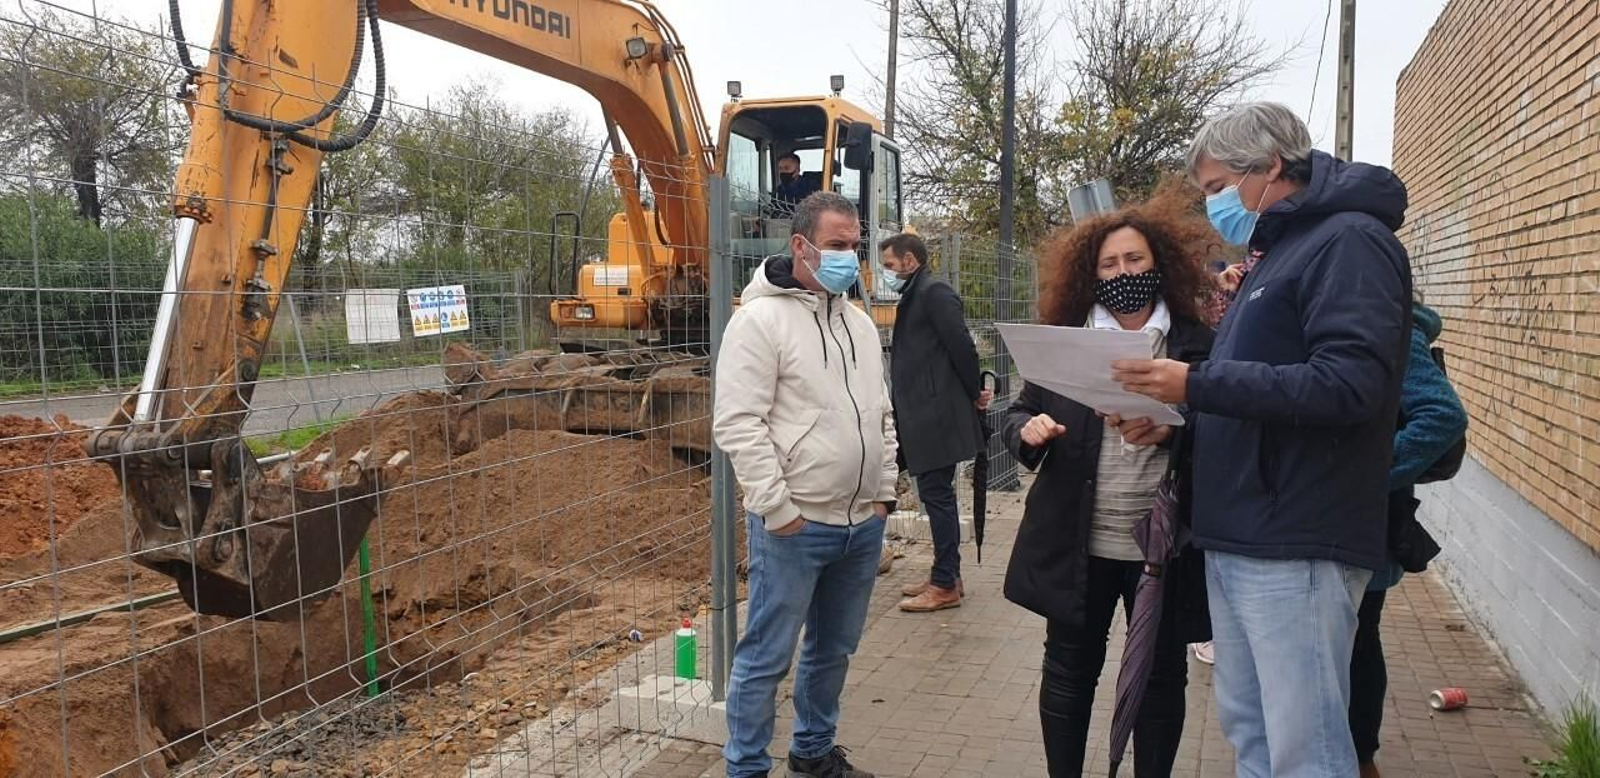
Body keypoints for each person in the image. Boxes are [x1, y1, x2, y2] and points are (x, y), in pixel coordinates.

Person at [1114, 102, 1413, 777]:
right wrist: (1177, 419)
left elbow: (1348, 385)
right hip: (1244, 532)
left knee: (1304, 752)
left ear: (1271, 166)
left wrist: (1193, 385)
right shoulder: (1278, 253)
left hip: (1296, 537)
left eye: (1219, 187)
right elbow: (1258, 392)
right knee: (1254, 738)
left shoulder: (1350, 243)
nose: (1214, 204)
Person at [1001, 187, 1217, 777]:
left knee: (1158, 676)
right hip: (1079, 538)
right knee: (1068, 671)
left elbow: (1228, 428)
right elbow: (1017, 413)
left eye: (1135, 260)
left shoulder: (1197, 344)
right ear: (1090, 275)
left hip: (1165, 543)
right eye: (1109, 264)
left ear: (1159, 264)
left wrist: (1174, 432)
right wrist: (1029, 428)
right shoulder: (1065, 340)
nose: (1123, 273)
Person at [712, 191, 896, 778]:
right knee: (766, 658)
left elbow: (880, 412)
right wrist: (777, 509)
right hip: (795, 527)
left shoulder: (860, 325)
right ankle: (745, 769)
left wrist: (885, 491)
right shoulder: (758, 321)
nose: (851, 257)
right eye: (838, 246)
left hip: (859, 524)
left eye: (855, 246)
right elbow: (738, 423)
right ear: (801, 246)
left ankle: (813, 755)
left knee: (833, 652)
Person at [1350, 301, 1468, 778]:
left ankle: (1360, 757)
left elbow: (1441, 416)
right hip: (1335, 520)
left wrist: (1359, 476)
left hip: (1367, 521)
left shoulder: (1392, 328)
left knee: (1358, 641)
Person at [879, 232, 992, 612]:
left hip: (935, 415)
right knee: (935, 495)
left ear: (910, 261)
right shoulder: (917, 292)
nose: (887, 274)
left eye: (890, 266)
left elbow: (961, 345)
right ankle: (947, 574)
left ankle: (944, 584)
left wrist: (975, 392)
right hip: (925, 413)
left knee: (937, 497)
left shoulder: (933, 292)